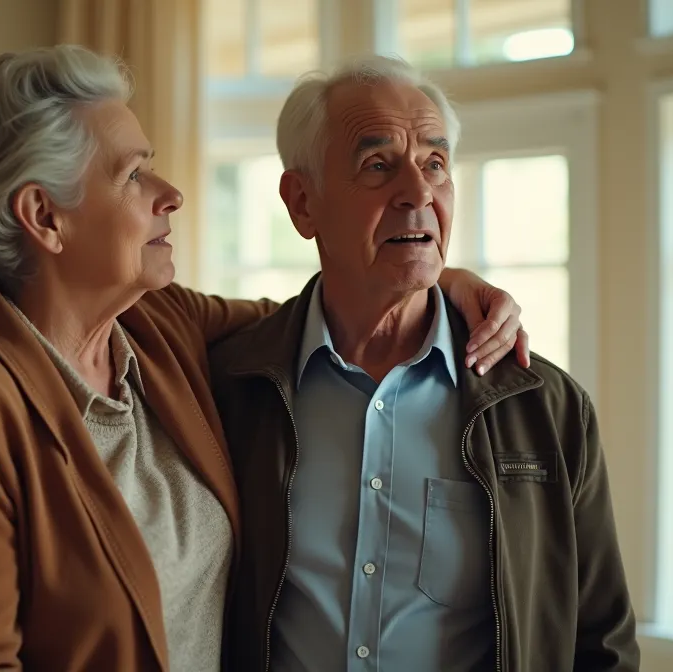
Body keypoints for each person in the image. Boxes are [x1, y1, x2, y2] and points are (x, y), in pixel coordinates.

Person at [0, 45, 529, 671]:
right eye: (132, 175)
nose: (170, 193)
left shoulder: (158, 326)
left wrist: (435, 274)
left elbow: (331, 311)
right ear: (45, 216)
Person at [209, 54, 639, 672]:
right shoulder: (228, 388)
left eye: (435, 164)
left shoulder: (545, 406)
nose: (417, 193)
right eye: (378, 165)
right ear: (303, 203)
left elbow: (602, 644)